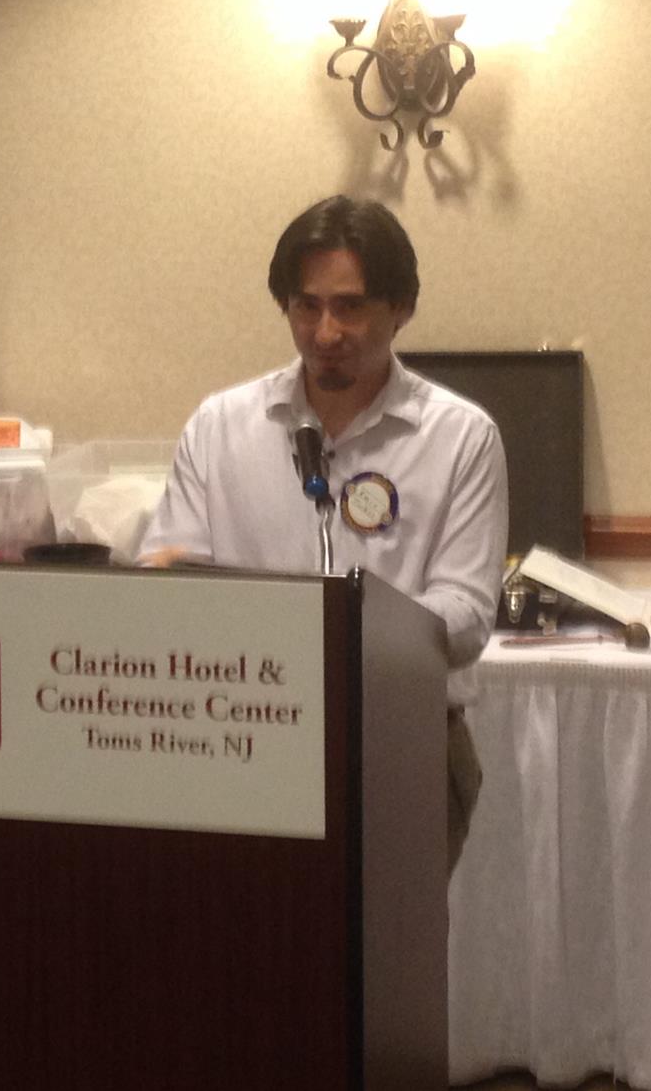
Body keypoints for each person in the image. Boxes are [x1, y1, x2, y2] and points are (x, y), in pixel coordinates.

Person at [139, 195, 508, 868]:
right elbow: (168, 575)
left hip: (402, 745)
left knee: (385, 939)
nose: (325, 331)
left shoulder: (461, 437)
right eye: (306, 306)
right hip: (240, 737)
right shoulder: (220, 426)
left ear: (402, 308)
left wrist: (339, 630)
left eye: (350, 306)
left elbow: (467, 614)